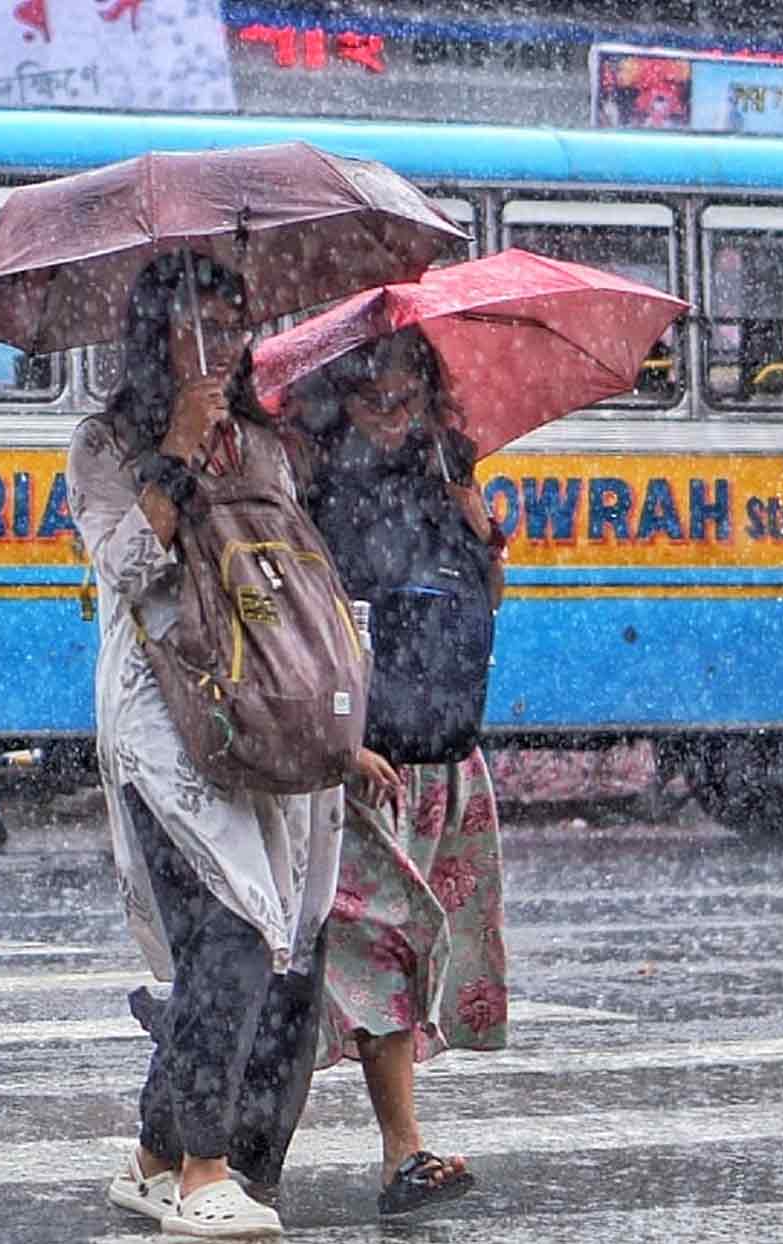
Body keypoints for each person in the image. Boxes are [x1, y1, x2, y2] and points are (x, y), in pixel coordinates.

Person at [66, 252, 343, 1240]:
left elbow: (294, 588)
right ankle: (203, 1166)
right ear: (157, 335)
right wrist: (175, 455)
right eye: (203, 327)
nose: (223, 348)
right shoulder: (102, 446)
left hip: (259, 719)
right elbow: (130, 567)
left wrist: (343, 724)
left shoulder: (265, 447)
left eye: (235, 328)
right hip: (160, 728)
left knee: (265, 948)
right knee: (227, 929)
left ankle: (156, 1156)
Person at [282, 328, 508, 1220]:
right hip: (362, 754)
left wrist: (483, 540)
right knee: (376, 942)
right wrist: (340, 738)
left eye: (406, 397)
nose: (391, 414)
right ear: (342, 395)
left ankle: (213, 1143)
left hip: (441, 746)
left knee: (401, 946)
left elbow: (477, 606)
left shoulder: (446, 467)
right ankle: (394, 1150)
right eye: (374, 397)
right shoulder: (314, 483)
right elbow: (305, 621)